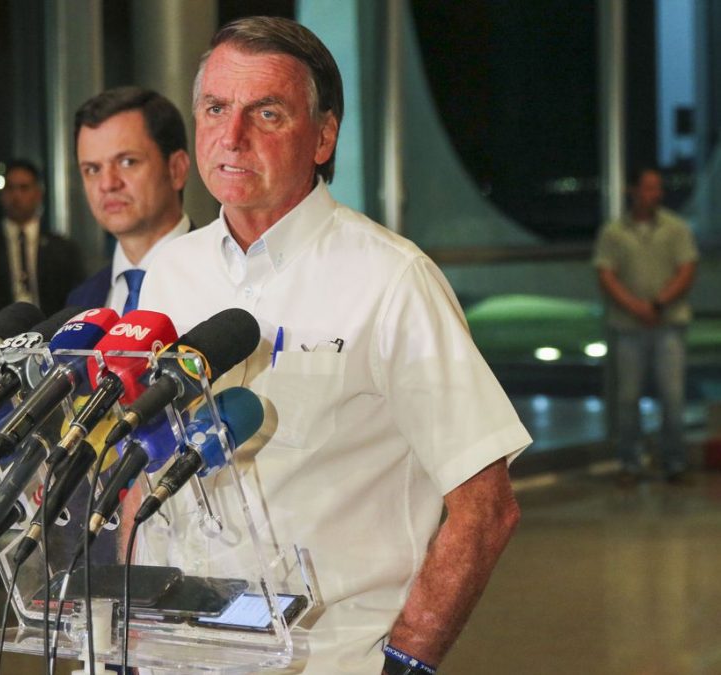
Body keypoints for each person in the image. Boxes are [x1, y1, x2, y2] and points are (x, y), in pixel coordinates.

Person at [138, 17, 531, 674]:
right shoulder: (167, 271)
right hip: (177, 653)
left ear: (323, 137)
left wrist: (406, 660)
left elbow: (486, 506)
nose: (232, 136)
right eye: (215, 108)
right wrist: (130, 634)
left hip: (329, 658)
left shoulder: (391, 278)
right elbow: (139, 469)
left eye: (266, 113)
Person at [593, 168, 699, 486]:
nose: (655, 194)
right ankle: (630, 461)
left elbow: (686, 269)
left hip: (669, 325)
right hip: (627, 327)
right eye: (649, 188)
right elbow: (606, 274)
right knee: (627, 398)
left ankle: (674, 461)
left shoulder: (676, 228)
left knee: (673, 396)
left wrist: (657, 305)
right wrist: (635, 307)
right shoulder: (613, 232)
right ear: (634, 191)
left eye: (658, 188)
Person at [66, 86, 192, 313]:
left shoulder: (225, 279)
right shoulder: (80, 301)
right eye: (92, 169)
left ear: (176, 170)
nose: (108, 184)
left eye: (127, 162)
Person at [0, 158, 85, 331]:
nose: (16, 196)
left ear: (38, 193)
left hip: (52, 344)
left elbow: (76, 305)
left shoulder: (63, 249)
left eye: (24, 188)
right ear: (2, 194)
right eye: (10, 188)